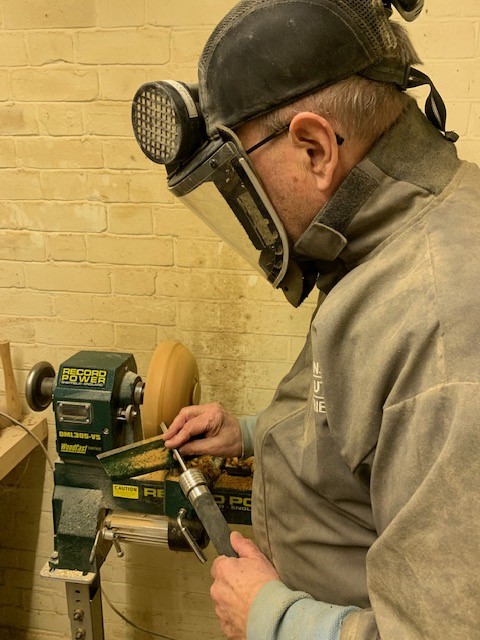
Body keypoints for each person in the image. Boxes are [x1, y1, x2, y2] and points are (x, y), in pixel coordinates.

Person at [153, 1, 480, 638]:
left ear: (314, 148)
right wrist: (248, 433)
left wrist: (270, 616)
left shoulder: (442, 321)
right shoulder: (384, 241)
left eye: (243, 178)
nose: (250, 209)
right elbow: (372, 423)